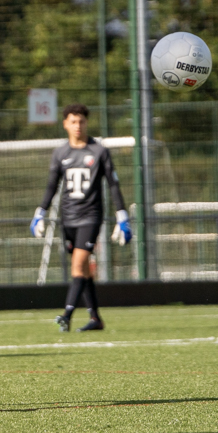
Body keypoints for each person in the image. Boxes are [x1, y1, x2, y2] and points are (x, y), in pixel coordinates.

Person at [30, 104, 131, 333]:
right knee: (84, 270)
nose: (78, 126)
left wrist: (122, 215)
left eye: (81, 122)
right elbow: (51, 186)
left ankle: (67, 314)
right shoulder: (60, 153)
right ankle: (95, 318)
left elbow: (113, 185)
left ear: (87, 123)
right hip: (69, 218)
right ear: (65, 123)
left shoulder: (99, 151)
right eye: (73, 122)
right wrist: (40, 213)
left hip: (90, 217)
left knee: (77, 265)